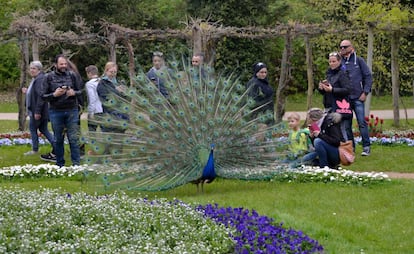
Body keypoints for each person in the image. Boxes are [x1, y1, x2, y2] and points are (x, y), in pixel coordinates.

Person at [41, 54, 83, 167]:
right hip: (56, 111)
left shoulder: (72, 76)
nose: (64, 66)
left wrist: (73, 93)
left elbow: (80, 91)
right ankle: (60, 164)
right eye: (61, 64)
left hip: (71, 110)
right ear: (56, 65)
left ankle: (76, 164)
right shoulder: (48, 77)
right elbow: (43, 96)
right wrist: (54, 94)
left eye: (65, 64)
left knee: (73, 138)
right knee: (58, 139)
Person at [339, 40, 373, 156]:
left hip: (358, 97)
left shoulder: (359, 61)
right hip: (345, 100)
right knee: (346, 125)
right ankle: (351, 148)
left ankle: (366, 147)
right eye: (341, 47)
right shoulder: (340, 62)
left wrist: (365, 92)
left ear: (351, 47)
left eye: (345, 47)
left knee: (362, 123)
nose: (342, 49)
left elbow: (368, 76)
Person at [22, 61, 56, 159]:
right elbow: (35, 93)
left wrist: (37, 112)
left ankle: (35, 150)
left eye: (34, 68)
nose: (31, 70)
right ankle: (56, 145)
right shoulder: (37, 78)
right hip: (40, 110)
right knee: (43, 129)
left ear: (39, 70)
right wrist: (27, 91)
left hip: (38, 111)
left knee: (33, 129)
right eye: (31, 68)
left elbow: (40, 97)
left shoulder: (39, 79)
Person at [318, 52, 352, 141]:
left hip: (339, 106)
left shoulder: (343, 73)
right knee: (331, 129)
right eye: (330, 62)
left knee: (341, 129)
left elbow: (347, 90)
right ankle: (337, 152)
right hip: (328, 105)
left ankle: (347, 151)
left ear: (339, 61)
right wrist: (322, 88)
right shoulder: (329, 73)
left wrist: (332, 90)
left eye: (334, 61)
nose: (332, 64)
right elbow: (327, 91)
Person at [97, 62, 129, 134]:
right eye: (111, 72)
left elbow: (124, 98)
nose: (113, 74)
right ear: (106, 71)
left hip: (121, 114)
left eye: (115, 72)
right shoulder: (102, 83)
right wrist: (117, 91)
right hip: (110, 114)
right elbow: (105, 98)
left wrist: (124, 92)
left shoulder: (118, 82)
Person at [85, 65, 103, 131]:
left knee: (92, 131)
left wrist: (91, 112)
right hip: (104, 110)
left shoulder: (89, 84)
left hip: (95, 110)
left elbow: (92, 98)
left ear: (89, 73)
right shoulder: (102, 81)